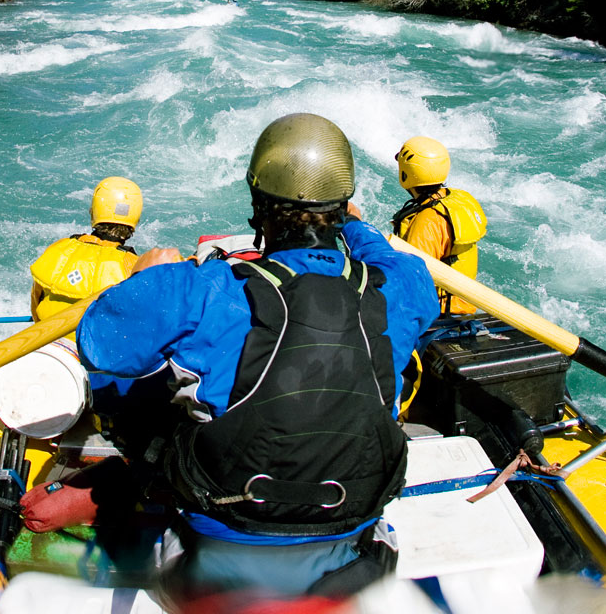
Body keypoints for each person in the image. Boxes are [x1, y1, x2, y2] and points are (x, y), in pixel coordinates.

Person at [72, 113, 440, 598]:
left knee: (114, 383)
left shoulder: (200, 289)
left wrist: (142, 277)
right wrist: (352, 223)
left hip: (217, 536)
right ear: (343, 205)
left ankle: (150, 489)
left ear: (257, 204)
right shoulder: (406, 287)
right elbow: (392, 260)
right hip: (352, 532)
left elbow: (96, 342)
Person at [391, 136, 488, 314]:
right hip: (463, 306)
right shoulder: (457, 199)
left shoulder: (427, 221)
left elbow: (413, 279)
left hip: (437, 313)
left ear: (406, 173)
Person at [29, 176, 142, 323]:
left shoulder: (59, 248)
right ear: (136, 217)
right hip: (93, 344)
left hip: (44, 338)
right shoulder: (134, 266)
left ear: (93, 211)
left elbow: (35, 300)